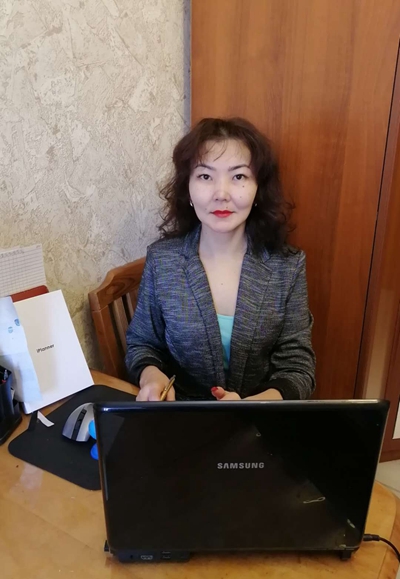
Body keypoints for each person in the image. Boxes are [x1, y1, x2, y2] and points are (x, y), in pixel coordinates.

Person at [125, 117, 315, 402]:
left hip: (260, 418)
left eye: (238, 177)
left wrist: (252, 406)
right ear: (188, 188)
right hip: (180, 416)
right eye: (205, 176)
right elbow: (142, 344)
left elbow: (298, 367)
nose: (221, 194)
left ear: (258, 188)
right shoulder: (163, 260)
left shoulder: (287, 267)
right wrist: (151, 375)